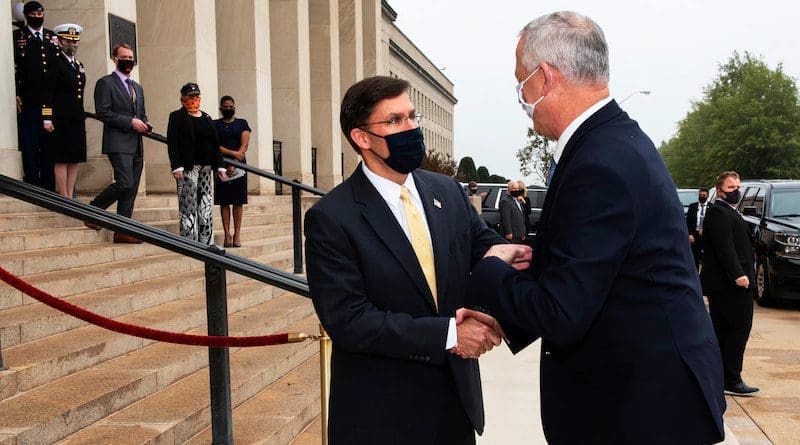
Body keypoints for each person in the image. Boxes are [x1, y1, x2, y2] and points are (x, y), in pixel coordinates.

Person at [464, 12, 725, 443]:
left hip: (641, 412)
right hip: (642, 397)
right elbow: (598, 274)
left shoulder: (600, 162)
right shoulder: (611, 142)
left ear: (545, 78)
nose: (519, 95)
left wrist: (492, 269)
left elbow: (564, 313)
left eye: (520, 82)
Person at [304, 76, 511, 444]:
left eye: (412, 116)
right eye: (395, 121)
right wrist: (451, 334)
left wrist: (511, 264)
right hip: (381, 418)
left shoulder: (446, 191)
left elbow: (488, 249)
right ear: (361, 138)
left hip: (454, 409)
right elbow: (350, 320)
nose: (412, 128)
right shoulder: (332, 218)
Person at [700, 171, 759, 397]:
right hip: (731, 285)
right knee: (738, 328)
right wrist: (738, 274)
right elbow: (726, 248)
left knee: (726, 330)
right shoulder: (719, 213)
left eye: (738, 187)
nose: (737, 192)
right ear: (720, 191)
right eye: (731, 188)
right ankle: (731, 378)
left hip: (730, 284)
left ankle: (724, 377)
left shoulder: (727, 212)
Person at [87, 43, 150, 244]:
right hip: (118, 142)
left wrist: (145, 123)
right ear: (115, 58)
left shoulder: (137, 87)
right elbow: (103, 112)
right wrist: (130, 122)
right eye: (124, 57)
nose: (128, 61)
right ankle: (93, 210)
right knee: (124, 182)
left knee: (131, 189)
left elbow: (141, 113)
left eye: (131, 57)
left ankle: (122, 229)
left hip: (136, 144)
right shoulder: (106, 83)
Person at [167, 82, 227, 245]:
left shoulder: (207, 117)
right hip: (188, 167)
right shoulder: (176, 117)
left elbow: (215, 143)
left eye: (196, 97)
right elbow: (173, 143)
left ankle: (206, 241)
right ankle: (189, 242)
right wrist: (176, 165)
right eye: (190, 97)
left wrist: (220, 165)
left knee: (205, 204)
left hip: (207, 167)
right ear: (183, 99)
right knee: (188, 204)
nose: (194, 100)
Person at [13, 1, 58, 190]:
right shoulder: (17, 37)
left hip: (49, 100)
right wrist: (15, 93)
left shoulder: (51, 37)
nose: (38, 18)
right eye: (34, 15)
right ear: (26, 15)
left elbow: (56, 69)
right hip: (28, 99)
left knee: (49, 145)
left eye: (41, 15)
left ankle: (49, 185)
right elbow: (12, 69)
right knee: (30, 143)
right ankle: (32, 183)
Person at [42, 24, 86, 198]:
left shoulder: (78, 65)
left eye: (75, 41)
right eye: (68, 41)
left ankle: (70, 194)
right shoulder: (55, 62)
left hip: (76, 117)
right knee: (61, 157)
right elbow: (47, 91)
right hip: (60, 118)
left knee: (74, 158)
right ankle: (63, 195)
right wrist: (47, 117)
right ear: (60, 41)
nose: (72, 45)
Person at [213, 95, 251, 248]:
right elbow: (214, 145)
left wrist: (235, 161)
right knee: (224, 201)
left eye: (231, 106)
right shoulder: (215, 124)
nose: (228, 109)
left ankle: (237, 234)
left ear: (234, 107)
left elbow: (244, 145)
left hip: (239, 166)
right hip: (221, 165)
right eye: (225, 106)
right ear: (221, 108)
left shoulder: (242, 123)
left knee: (238, 201)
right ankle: (227, 234)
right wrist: (232, 155)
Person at [686, 187, 710, 271]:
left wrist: (705, 230)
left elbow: (713, 223)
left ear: (707, 196)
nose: (702, 196)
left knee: (706, 258)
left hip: (706, 236)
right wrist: (689, 234)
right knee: (694, 258)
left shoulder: (712, 207)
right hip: (694, 235)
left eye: (704, 195)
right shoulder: (693, 206)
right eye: (700, 195)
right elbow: (688, 222)